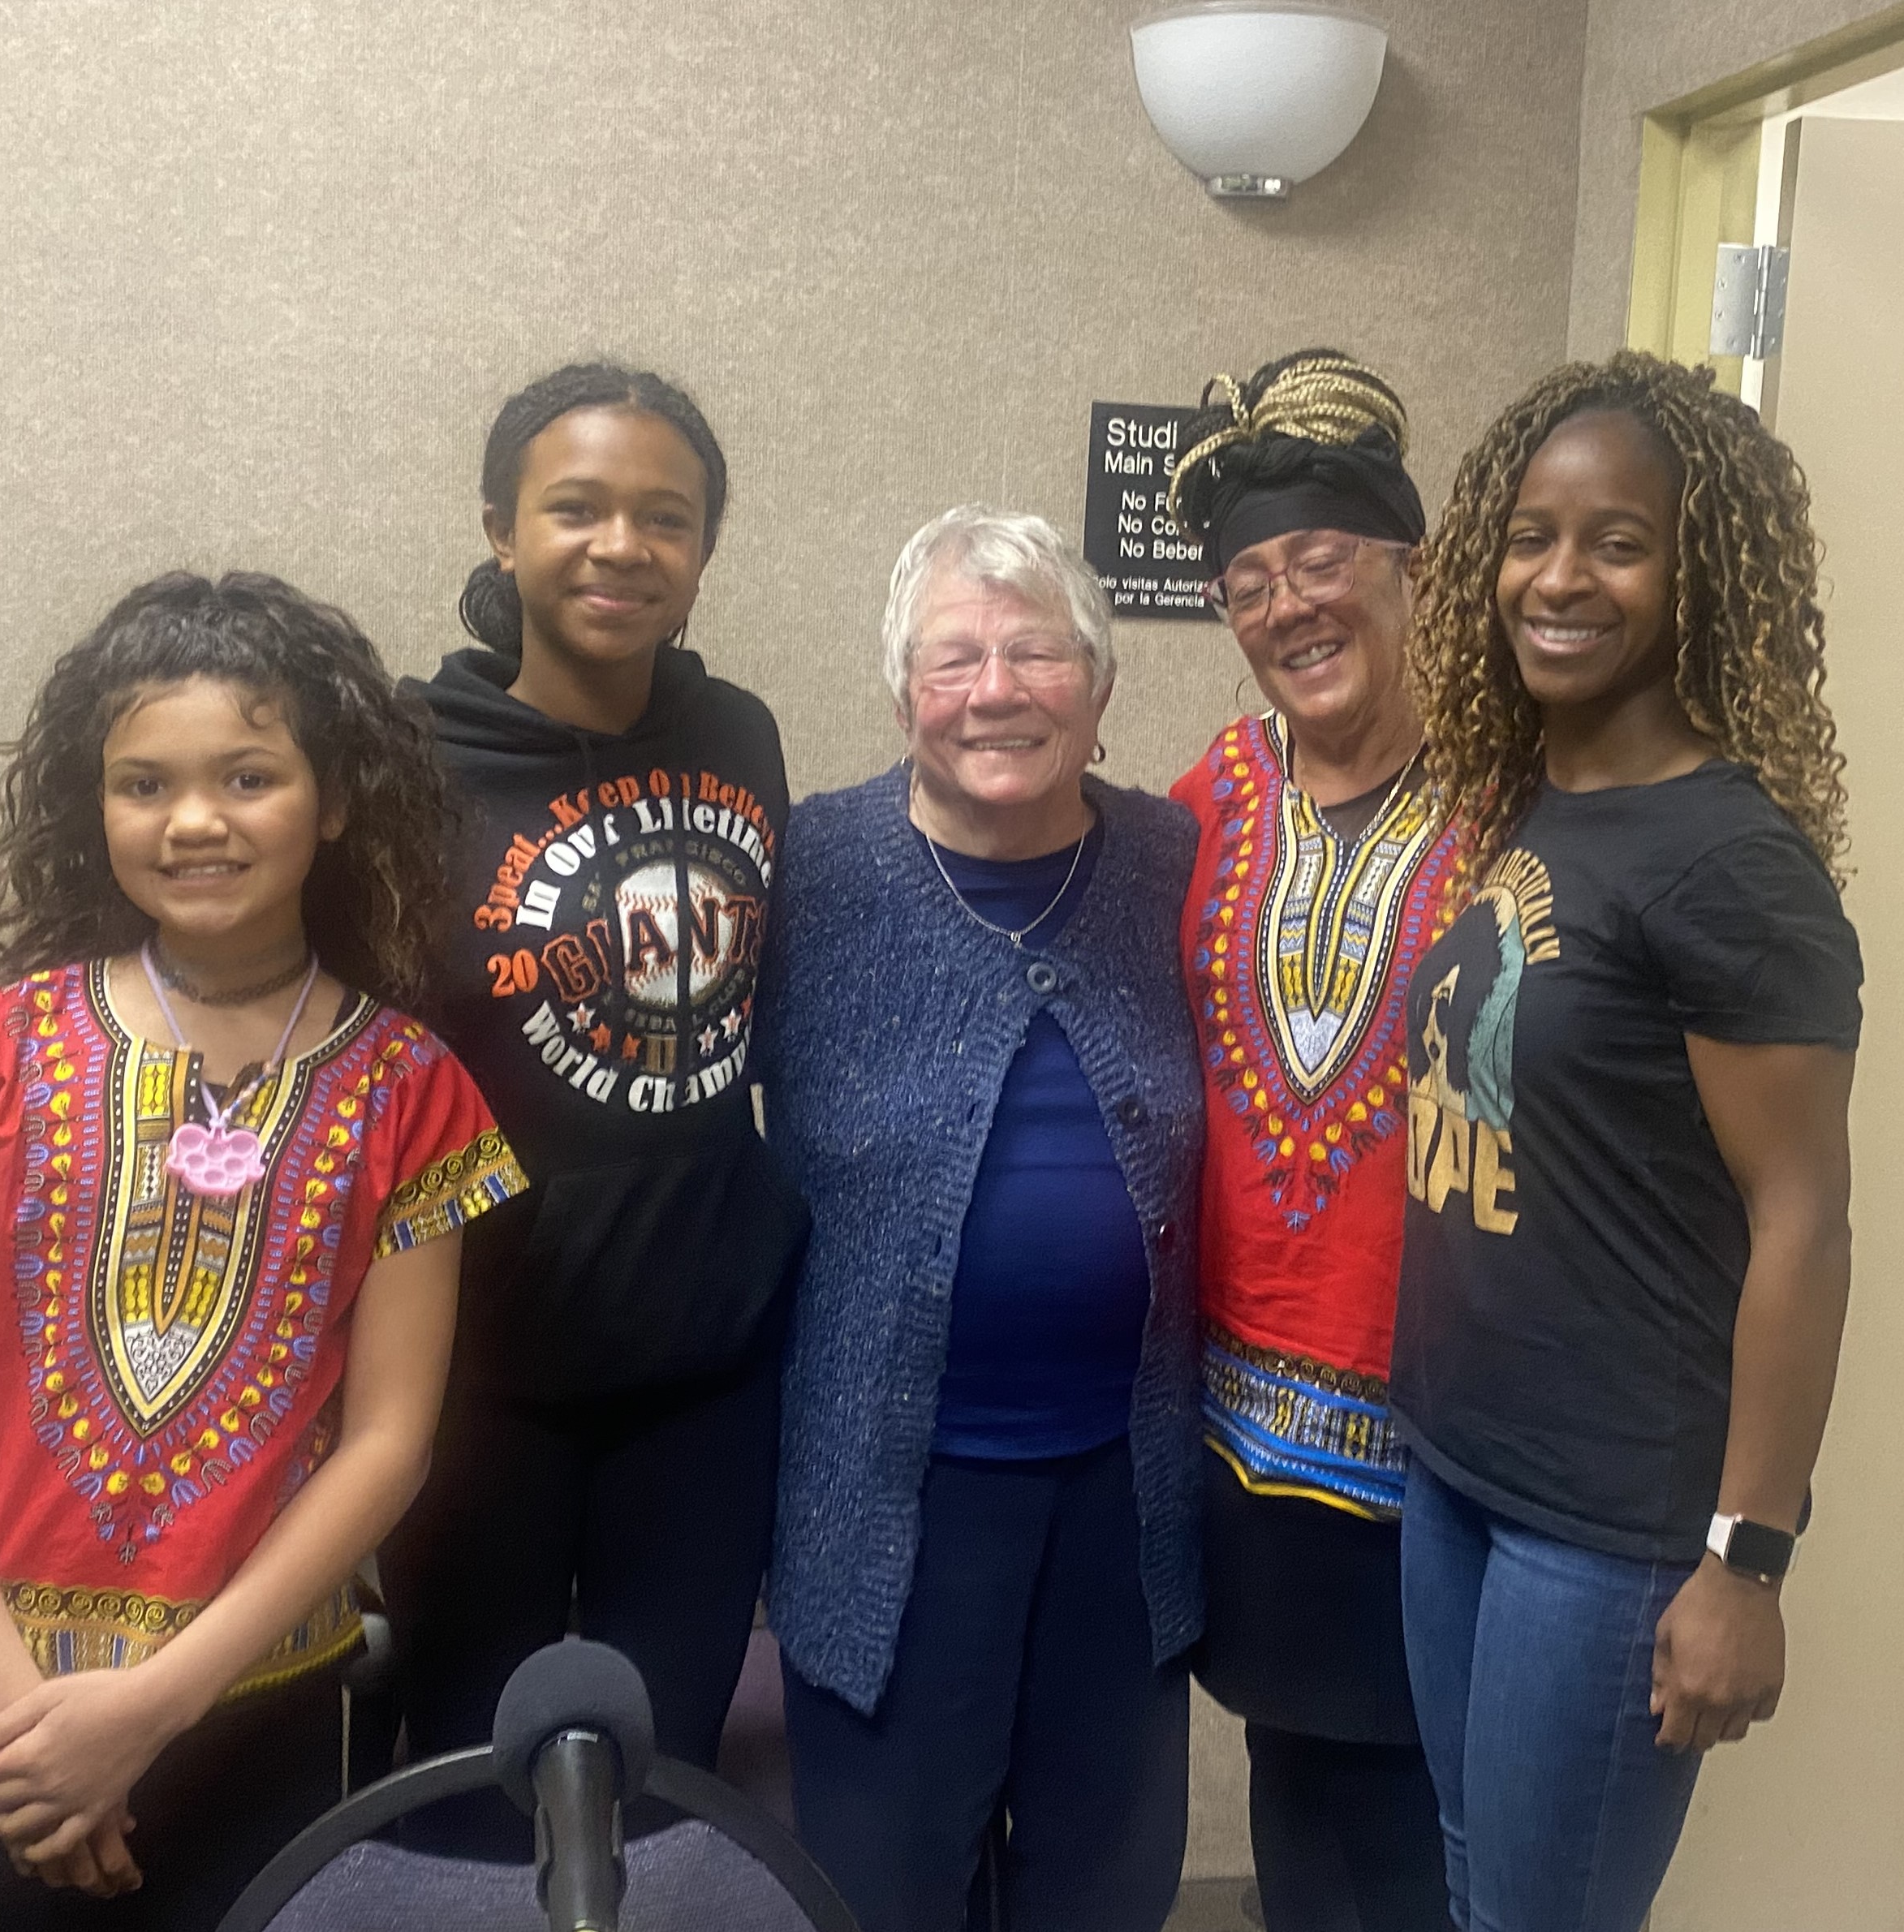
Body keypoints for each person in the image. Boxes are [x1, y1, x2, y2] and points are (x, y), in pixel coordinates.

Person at [0, 573, 526, 1930]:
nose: (195, 819)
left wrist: (150, 1706)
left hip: (254, 1697)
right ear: (91, 809)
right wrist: (21, 1731)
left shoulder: (411, 1089)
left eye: (249, 776)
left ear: (333, 804)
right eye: (143, 783)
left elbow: (390, 1441)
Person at [1394, 351, 1859, 1932]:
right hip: (1458, 1470)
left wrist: (1743, 1560)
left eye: (1616, 540)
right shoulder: (1524, 802)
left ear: (1696, 571)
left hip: (1605, 1529)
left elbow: (1800, 1220)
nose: (1558, 576)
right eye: (1530, 533)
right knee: (1472, 1886)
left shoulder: (1728, 863)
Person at [758, 506, 1204, 1932]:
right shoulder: (808, 872)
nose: (994, 691)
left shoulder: (1170, 861)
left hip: (1124, 1499)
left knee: (1102, 1885)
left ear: (1100, 683)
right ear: (902, 694)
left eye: (1035, 653)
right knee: (885, 1889)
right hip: (889, 1500)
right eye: (953, 660)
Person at [382, 363, 807, 1856]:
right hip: (476, 1378)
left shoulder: (740, 733)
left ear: (700, 552)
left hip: (702, 1374)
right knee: (466, 1792)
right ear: (502, 530)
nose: (619, 543)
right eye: (576, 507)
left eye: (663, 515)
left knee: (662, 1788)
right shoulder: (401, 768)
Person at [1162, 350, 1454, 1930]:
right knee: (1304, 1831)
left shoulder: (1526, 799)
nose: (1285, 606)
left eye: (1322, 562)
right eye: (1249, 582)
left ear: (1411, 566)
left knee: (1439, 1848)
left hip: (1465, 1449)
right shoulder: (1203, 799)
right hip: (1249, 1447)